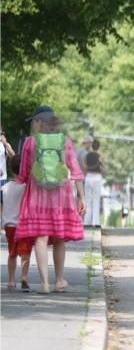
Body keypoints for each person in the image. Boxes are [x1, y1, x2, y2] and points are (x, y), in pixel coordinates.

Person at [14, 106, 85, 294]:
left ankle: (44, 283)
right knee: (59, 238)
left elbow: (22, 175)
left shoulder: (30, 143)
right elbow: (76, 172)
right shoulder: (66, 142)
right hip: (62, 197)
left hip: (37, 198)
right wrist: (81, 197)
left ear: (40, 122)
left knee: (41, 237)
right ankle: (59, 280)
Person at [2, 154, 32, 291]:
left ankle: (11, 280)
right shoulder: (26, 187)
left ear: (10, 169)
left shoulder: (5, 188)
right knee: (25, 252)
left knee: (12, 253)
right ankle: (24, 276)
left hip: (9, 226)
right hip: (24, 225)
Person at [83, 139, 103, 227]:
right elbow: (103, 168)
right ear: (99, 147)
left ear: (92, 146)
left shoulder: (87, 155)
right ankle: (96, 222)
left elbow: (85, 167)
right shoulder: (100, 156)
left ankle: (87, 222)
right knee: (96, 201)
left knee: (88, 201)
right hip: (97, 178)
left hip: (88, 178)